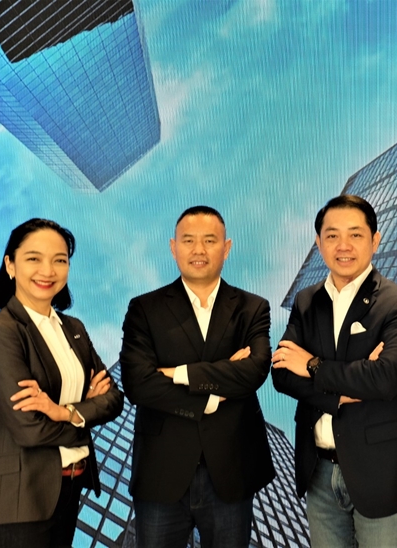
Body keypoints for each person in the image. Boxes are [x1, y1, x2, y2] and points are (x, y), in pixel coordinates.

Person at [272, 194, 397, 547]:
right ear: (318, 244)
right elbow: (282, 373)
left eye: (355, 235)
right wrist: (344, 393)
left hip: (381, 470)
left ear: (375, 240)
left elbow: (386, 379)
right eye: (332, 235)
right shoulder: (306, 301)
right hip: (318, 472)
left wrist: (312, 364)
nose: (343, 246)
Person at [120, 205, 275, 548]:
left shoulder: (252, 308)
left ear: (227, 247)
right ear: (173, 247)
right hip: (161, 471)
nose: (199, 250)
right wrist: (211, 396)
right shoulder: (144, 309)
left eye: (210, 240)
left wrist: (178, 373)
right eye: (188, 240)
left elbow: (253, 371)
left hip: (231, 470)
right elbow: (138, 383)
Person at [0, 218, 124, 548]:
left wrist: (63, 412)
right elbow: (29, 430)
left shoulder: (74, 328)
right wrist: (85, 417)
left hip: (67, 492)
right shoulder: (0, 333)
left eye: (60, 260)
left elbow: (114, 398)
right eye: (34, 258)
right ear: (10, 265)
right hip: (15, 504)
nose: (48, 270)